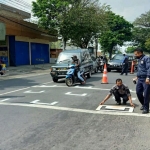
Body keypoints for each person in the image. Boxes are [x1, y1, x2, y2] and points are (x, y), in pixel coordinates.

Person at [133, 48, 150, 114]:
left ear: (140, 53)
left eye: (136, 54)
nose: (135, 55)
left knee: (146, 94)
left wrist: (148, 77)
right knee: (138, 92)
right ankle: (144, 104)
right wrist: (137, 77)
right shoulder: (139, 59)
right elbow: (140, 69)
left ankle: (146, 108)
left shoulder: (146, 58)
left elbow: (149, 68)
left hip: (146, 79)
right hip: (140, 79)